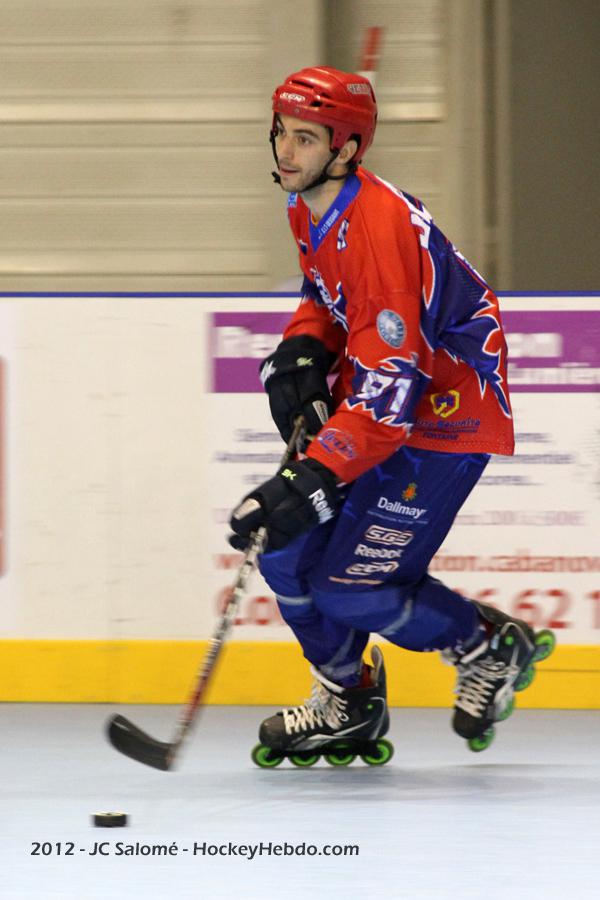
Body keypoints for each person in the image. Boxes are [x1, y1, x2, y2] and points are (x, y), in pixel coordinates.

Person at [229, 66, 554, 765]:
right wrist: (303, 345)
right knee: (284, 553)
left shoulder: (377, 229)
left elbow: (388, 391)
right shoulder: (308, 200)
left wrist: (311, 475)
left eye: (306, 138)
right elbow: (326, 292)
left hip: (445, 413)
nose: (286, 150)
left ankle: (485, 644)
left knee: (351, 586)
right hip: (393, 399)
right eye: (282, 132)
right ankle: (347, 699)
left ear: (345, 150)